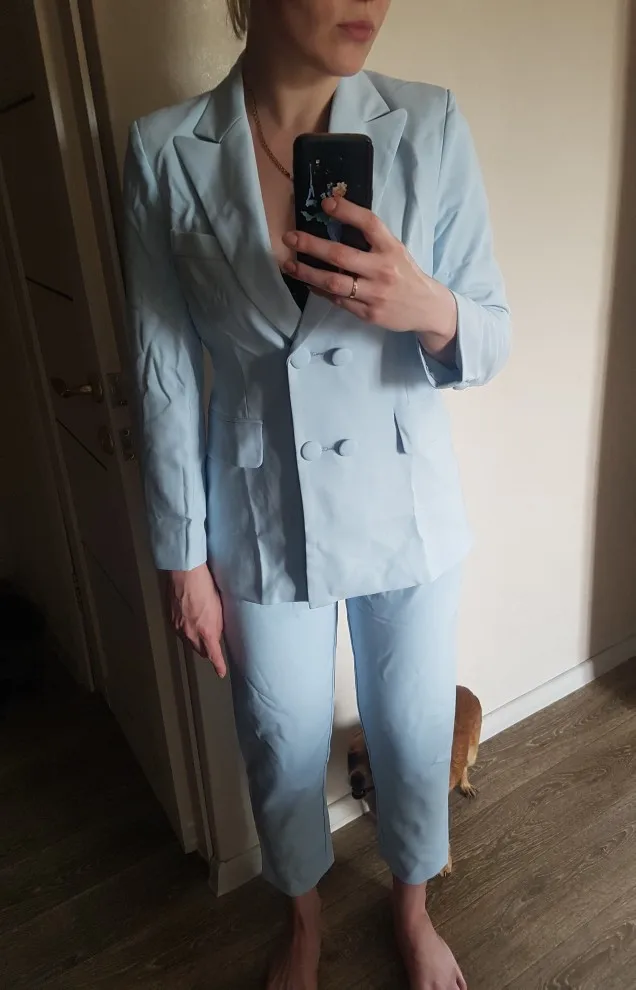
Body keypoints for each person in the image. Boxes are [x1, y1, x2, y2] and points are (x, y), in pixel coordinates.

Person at [123, 1, 510, 987]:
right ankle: (301, 918)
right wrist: (181, 558)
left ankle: (413, 910)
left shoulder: (427, 123)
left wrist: (426, 307)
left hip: (404, 505)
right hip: (257, 513)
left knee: (413, 727)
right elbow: (163, 371)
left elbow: (490, 336)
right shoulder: (166, 151)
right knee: (278, 736)